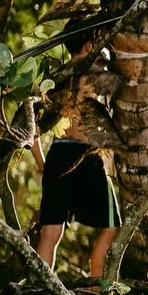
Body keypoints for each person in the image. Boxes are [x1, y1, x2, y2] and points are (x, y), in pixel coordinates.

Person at [31, 23, 119, 278]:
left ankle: (40, 289)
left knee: (50, 232)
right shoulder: (97, 75)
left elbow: (31, 127)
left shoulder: (54, 79)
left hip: (57, 155)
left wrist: (43, 164)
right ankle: (94, 288)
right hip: (86, 156)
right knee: (110, 227)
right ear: (90, 45)